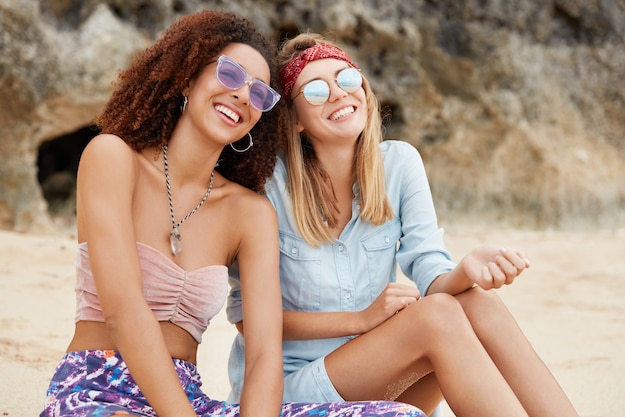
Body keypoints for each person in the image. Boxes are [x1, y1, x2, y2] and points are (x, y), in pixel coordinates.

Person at [39, 12, 427, 417]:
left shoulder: (250, 212)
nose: (244, 95)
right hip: (96, 388)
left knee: (400, 415)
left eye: (260, 93)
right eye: (229, 74)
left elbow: (263, 356)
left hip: (190, 398)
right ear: (188, 77)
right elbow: (123, 312)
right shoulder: (112, 157)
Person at [226, 32, 581, 417]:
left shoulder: (399, 164)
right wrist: (360, 320)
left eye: (346, 80)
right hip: (288, 391)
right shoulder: (268, 185)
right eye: (315, 91)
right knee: (436, 317)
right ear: (294, 120)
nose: (338, 94)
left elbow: (433, 274)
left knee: (479, 303)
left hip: (376, 376)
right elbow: (249, 321)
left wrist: (466, 269)